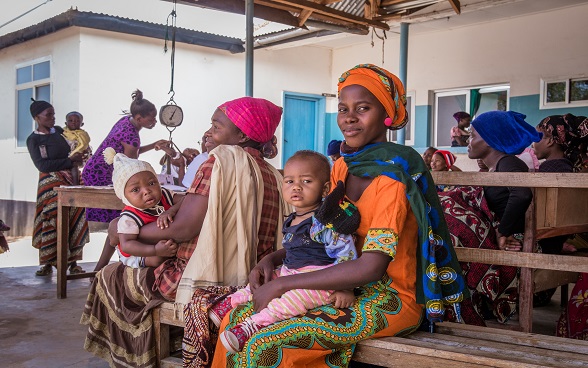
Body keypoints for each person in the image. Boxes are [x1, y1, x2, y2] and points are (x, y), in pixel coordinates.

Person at [211, 64, 467, 367]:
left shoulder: (393, 178)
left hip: (386, 297)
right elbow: (327, 235)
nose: (349, 117)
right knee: (236, 317)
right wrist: (273, 260)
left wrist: (281, 284)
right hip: (334, 284)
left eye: (363, 108)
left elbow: (372, 268)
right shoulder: (344, 167)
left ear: (386, 113)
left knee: (265, 344)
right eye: (343, 108)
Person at [81, 97, 290, 367]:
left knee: (110, 275)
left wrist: (130, 233)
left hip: (201, 280)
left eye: (216, 125)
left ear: (241, 135)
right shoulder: (273, 174)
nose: (208, 132)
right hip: (248, 279)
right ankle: (172, 341)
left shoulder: (218, 163)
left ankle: (139, 358)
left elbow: (182, 229)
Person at [214, 151, 360, 353]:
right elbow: (294, 248)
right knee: (264, 279)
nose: (296, 187)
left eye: (307, 181)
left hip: (320, 282)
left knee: (292, 301)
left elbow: (346, 254)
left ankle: (254, 325)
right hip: (290, 272)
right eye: (289, 181)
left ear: (325, 189)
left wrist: (346, 288)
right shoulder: (292, 219)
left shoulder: (324, 221)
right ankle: (232, 302)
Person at [439, 110, 542, 326]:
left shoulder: (508, 163)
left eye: (474, 135)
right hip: (496, 232)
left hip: (511, 237)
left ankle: (458, 306)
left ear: (492, 140)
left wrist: (503, 232)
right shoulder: (498, 166)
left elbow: (522, 194)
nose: (468, 139)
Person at [82, 89, 169, 272]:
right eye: (151, 119)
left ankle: (101, 267)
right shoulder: (131, 135)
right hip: (101, 176)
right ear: (139, 118)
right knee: (121, 223)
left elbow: (130, 154)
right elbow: (131, 164)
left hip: (94, 170)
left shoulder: (126, 123)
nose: (154, 122)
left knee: (121, 223)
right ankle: (114, 263)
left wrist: (153, 146)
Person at [26, 99, 90, 276]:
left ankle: (73, 263)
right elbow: (42, 165)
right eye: (49, 115)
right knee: (51, 218)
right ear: (37, 117)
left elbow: (75, 147)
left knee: (74, 218)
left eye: (54, 114)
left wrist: (80, 156)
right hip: (50, 185)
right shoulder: (34, 139)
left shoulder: (61, 133)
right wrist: (69, 161)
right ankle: (47, 262)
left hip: (71, 180)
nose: (53, 118)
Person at [92, 147, 183, 272]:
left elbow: (186, 200)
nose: (146, 191)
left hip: (160, 243)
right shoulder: (129, 218)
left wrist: (171, 211)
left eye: (151, 183)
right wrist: (155, 250)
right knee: (157, 259)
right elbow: (127, 245)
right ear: (124, 197)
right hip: (137, 253)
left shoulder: (165, 195)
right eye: (136, 190)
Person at [532, 114, 588, 307]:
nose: (532, 142)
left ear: (549, 140)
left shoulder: (550, 173)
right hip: (552, 249)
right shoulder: (567, 169)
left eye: (537, 136)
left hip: (537, 258)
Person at [62, 111, 91, 185]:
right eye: (70, 120)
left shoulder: (83, 135)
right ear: (66, 123)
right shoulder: (63, 133)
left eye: (77, 121)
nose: (73, 122)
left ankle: (76, 185)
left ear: (82, 124)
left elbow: (84, 145)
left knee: (74, 166)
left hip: (79, 156)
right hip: (65, 157)